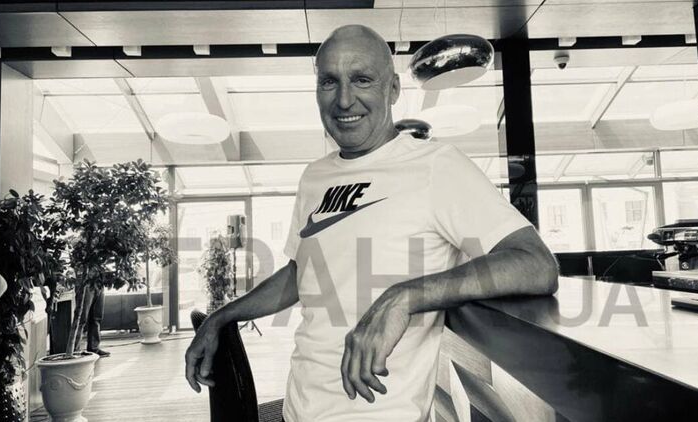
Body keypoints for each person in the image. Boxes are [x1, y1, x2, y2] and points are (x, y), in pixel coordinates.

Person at [185, 25, 559, 421]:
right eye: (329, 81)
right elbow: (299, 274)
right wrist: (223, 315)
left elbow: (536, 264)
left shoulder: (437, 166)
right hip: (299, 408)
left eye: (362, 79)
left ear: (393, 89)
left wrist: (404, 297)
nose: (344, 99)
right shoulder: (314, 177)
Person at [74, 284, 110, 357]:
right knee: (81, 319)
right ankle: (75, 350)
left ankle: (94, 349)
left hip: (100, 284)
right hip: (86, 284)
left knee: (96, 318)